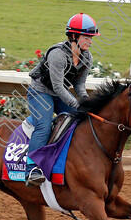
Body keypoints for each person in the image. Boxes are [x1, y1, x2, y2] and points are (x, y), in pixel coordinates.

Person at [24, 13, 98, 185]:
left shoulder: (87, 57)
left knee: (81, 121)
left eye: (91, 38)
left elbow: (79, 86)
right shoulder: (57, 55)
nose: (91, 41)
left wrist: (87, 104)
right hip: (40, 93)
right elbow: (57, 86)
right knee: (44, 125)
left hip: (59, 95)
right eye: (87, 37)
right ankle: (31, 170)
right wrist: (76, 104)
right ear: (74, 36)